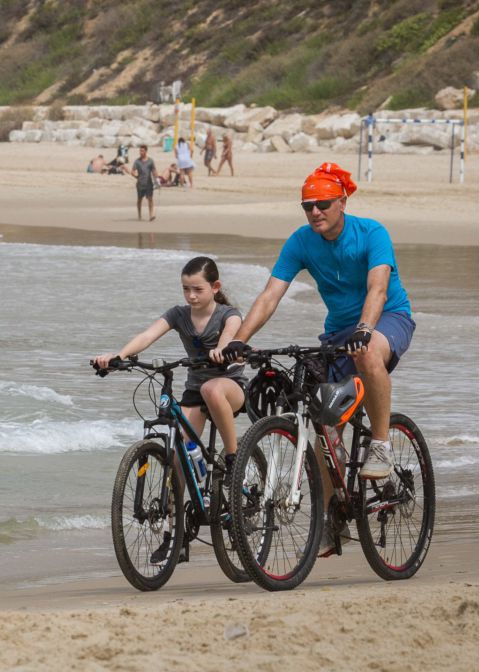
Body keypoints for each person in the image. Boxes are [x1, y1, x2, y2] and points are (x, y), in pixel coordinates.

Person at [221, 163, 414, 480]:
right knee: (326, 429)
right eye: (307, 206)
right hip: (339, 330)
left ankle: (380, 444)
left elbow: (378, 290)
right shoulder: (301, 241)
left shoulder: (372, 233)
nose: (314, 212)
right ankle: (330, 510)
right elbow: (270, 296)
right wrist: (239, 340)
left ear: (342, 202)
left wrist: (364, 329)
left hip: (388, 317)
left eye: (322, 204)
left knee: (366, 354)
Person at [92, 256, 248, 554]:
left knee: (212, 388)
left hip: (229, 387)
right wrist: (118, 357)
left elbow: (230, 335)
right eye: (186, 289)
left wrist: (221, 349)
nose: (191, 296)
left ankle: (233, 461)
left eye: (198, 289)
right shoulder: (179, 314)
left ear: (215, 287)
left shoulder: (229, 314)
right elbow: (147, 335)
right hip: (195, 392)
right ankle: (175, 536)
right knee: (177, 457)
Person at [130, 143, 157, 221]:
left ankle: (151, 215)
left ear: (146, 151)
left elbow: (154, 171)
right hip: (140, 184)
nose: (140, 152)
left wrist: (157, 179)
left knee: (150, 199)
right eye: (140, 151)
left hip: (149, 183)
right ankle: (139, 215)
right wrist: (136, 176)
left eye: (142, 151)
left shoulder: (150, 161)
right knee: (139, 199)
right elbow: (132, 171)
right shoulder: (137, 161)